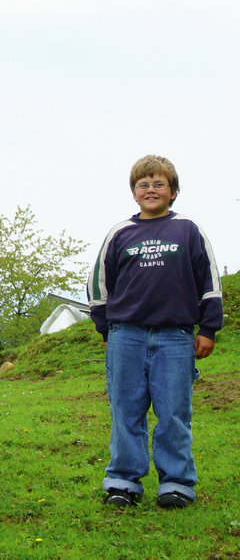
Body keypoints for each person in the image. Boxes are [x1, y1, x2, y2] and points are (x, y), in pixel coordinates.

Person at [87, 155, 222, 509]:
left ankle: (176, 483)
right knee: (125, 410)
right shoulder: (120, 233)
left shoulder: (188, 230)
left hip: (174, 337)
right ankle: (123, 481)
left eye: (159, 184)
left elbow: (209, 281)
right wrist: (107, 328)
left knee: (174, 411)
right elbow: (99, 284)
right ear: (134, 193)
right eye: (143, 184)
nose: (151, 190)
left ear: (173, 191)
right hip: (125, 335)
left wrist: (208, 327)